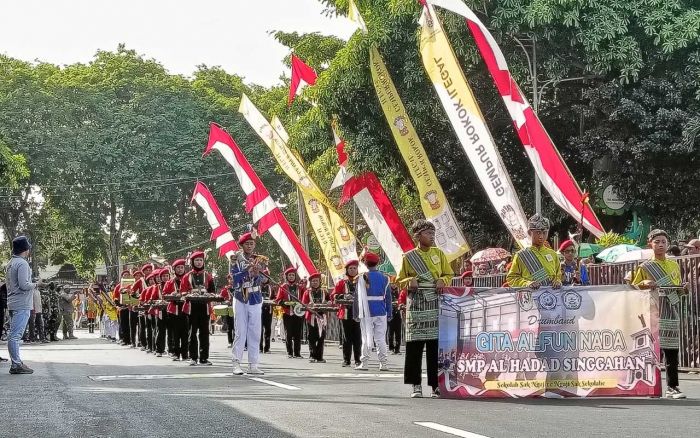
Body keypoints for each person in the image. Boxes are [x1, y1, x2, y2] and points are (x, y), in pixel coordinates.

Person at [396, 220, 454, 398]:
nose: (431, 236)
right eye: (428, 233)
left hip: (435, 303)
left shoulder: (439, 254)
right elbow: (399, 280)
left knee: (434, 347)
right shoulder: (409, 256)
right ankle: (415, 385)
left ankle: (436, 385)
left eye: (432, 233)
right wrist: (409, 281)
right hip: (417, 304)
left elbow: (449, 274)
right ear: (418, 236)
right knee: (414, 347)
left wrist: (441, 281)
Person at [632, 229, 687, 399]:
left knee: (671, 350)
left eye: (664, 241)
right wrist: (644, 283)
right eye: (657, 242)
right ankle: (651, 386)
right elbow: (633, 288)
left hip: (670, 309)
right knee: (652, 350)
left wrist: (683, 290)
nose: (661, 245)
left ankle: (672, 387)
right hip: (652, 309)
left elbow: (677, 290)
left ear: (668, 244)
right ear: (650, 244)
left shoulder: (674, 265)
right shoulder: (644, 266)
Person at [230, 233, 268, 375]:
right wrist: (247, 270)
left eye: (252, 243)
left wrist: (258, 274)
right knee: (241, 331)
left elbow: (265, 280)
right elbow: (234, 279)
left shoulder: (260, 259)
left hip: (256, 297)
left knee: (255, 332)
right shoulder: (235, 259)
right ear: (242, 245)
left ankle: (253, 364)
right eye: (247, 244)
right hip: (241, 295)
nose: (250, 246)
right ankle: (236, 363)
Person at [5, 236, 42, 373]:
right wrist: (37, 284)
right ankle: (16, 364)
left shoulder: (11, 263)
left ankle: (17, 362)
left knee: (13, 334)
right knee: (15, 335)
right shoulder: (22, 263)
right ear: (25, 249)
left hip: (13, 302)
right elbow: (24, 285)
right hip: (21, 303)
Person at [354, 252, 392, 371]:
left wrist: (356, 312)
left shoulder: (361, 277)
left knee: (365, 338)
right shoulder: (385, 278)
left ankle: (364, 363)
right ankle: (383, 363)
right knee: (380, 338)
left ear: (365, 262)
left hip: (366, 311)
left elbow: (357, 297)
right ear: (378, 263)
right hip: (381, 311)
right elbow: (389, 297)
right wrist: (389, 312)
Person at [506, 214, 563, 289]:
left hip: (551, 297)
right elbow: (511, 278)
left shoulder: (553, 254)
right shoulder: (521, 255)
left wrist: (558, 281)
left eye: (544, 233)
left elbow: (558, 275)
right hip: (530, 296)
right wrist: (527, 283)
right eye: (538, 232)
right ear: (530, 233)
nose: (541, 236)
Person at [181, 251, 215, 366]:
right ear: (192, 262)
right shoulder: (187, 276)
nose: (199, 262)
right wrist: (189, 293)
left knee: (204, 333)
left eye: (201, 260)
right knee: (192, 333)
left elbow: (212, 291)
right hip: (191, 307)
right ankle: (193, 357)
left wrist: (210, 295)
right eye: (197, 260)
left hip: (204, 307)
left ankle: (204, 358)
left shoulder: (208, 276)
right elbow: (182, 292)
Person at [332, 260, 362, 367]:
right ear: (347, 270)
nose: (353, 270)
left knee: (358, 337)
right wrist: (344, 296)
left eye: (354, 268)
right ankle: (347, 360)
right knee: (346, 337)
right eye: (350, 268)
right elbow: (334, 296)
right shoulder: (341, 282)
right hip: (345, 313)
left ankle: (358, 359)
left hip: (358, 313)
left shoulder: (361, 281)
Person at [275, 267, 305, 359]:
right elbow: (278, 300)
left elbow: (305, 299)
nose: (291, 277)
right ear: (286, 276)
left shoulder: (299, 287)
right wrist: (285, 303)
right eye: (289, 275)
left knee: (297, 334)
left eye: (293, 275)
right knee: (289, 333)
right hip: (287, 313)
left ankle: (297, 353)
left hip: (298, 313)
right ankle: (289, 352)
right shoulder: (283, 287)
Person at [163, 259, 189, 362]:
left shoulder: (188, 279)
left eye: (182, 267)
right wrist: (172, 294)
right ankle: (175, 353)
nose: (180, 269)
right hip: (173, 309)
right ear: (174, 270)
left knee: (185, 333)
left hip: (185, 309)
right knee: (175, 333)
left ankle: (185, 354)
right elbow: (164, 295)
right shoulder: (170, 282)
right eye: (178, 268)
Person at [301, 273, 327, 363]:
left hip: (322, 317)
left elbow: (330, 300)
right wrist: (308, 305)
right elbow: (303, 303)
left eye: (316, 281)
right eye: (313, 281)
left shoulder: (324, 291)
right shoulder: (307, 292)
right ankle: (312, 355)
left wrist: (328, 302)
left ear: (320, 282)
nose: (315, 282)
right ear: (310, 282)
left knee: (321, 336)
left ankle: (319, 357)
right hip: (311, 317)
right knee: (311, 337)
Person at [219, 274, 234, 349]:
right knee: (229, 327)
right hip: (228, 310)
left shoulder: (238, 288)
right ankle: (230, 342)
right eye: (230, 279)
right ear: (228, 280)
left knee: (236, 327)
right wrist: (225, 302)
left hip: (237, 310)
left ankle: (236, 342)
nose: (231, 280)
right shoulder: (224, 290)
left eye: (232, 279)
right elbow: (220, 300)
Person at [387, 284, 403, 355]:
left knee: (398, 333)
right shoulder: (388, 291)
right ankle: (391, 348)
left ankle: (397, 349)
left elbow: (402, 301)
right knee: (390, 332)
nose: (394, 285)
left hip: (398, 314)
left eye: (395, 284)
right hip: (390, 314)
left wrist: (399, 304)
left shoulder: (399, 292)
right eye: (392, 284)